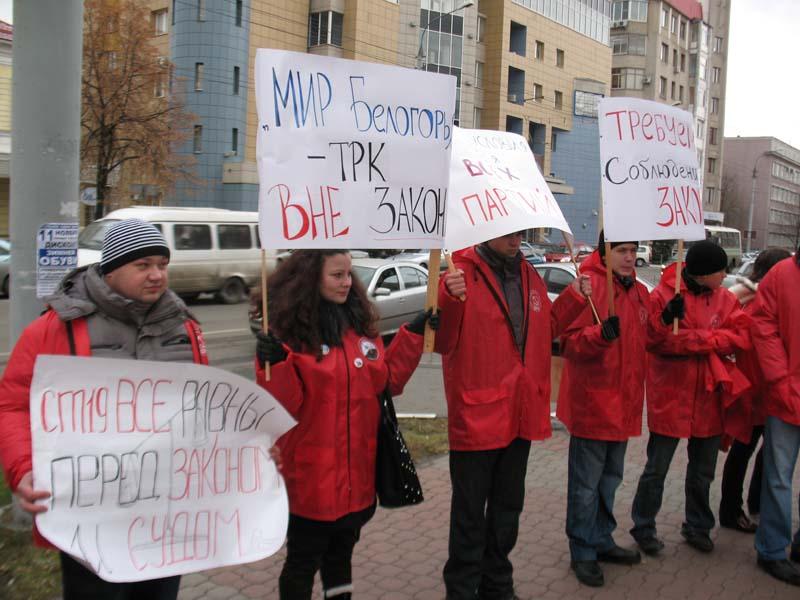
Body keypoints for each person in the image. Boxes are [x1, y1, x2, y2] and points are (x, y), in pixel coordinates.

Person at [0, 218, 207, 600]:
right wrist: (23, 469)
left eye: (162, 265)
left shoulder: (185, 327)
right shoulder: (55, 329)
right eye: (142, 266)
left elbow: (204, 411)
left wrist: (247, 453)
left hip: (165, 516)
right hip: (91, 519)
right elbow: (13, 405)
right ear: (110, 269)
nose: (157, 275)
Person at [254, 249, 436, 600]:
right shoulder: (287, 337)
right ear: (311, 278)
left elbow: (385, 382)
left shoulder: (358, 328)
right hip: (309, 483)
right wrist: (276, 365)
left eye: (349, 274)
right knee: (302, 564)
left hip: (356, 482)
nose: (347, 282)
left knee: (341, 562)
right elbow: (281, 409)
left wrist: (411, 336)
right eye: (337, 275)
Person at [435, 231, 590, 600]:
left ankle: (497, 584)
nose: (516, 239)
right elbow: (440, 341)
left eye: (520, 232)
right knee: (469, 515)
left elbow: (545, 330)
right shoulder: (461, 274)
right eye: (509, 233)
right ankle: (461, 590)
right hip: (477, 415)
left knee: (507, 511)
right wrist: (448, 297)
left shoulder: (529, 275)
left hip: (519, 414)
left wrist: (573, 298)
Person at [630, 240, 751, 556]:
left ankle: (698, 526)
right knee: (657, 468)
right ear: (704, 273)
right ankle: (643, 527)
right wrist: (672, 327)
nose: (725, 275)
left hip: (708, 395)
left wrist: (694, 340)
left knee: (703, 471)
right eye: (720, 270)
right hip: (671, 394)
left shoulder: (725, 299)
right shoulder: (663, 296)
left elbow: (738, 337)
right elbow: (655, 342)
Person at [553, 235, 649, 587]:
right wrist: (599, 335)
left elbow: (646, 340)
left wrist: (668, 318)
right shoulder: (589, 286)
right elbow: (568, 344)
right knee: (585, 486)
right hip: (593, 405)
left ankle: (601, 538)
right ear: (603, 253)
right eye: (621, 251)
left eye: (633, 251)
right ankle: (582, 550)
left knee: (611, 479)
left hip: (624, 405)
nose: (629, 257)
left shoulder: (640, 292)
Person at [718, 249, 791, 534]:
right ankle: (732, 510)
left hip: (771, 388)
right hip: (756, 388)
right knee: (745, 451)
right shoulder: (749, 299)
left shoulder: (759, 297)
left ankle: (754, 505)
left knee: (764, 453)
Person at [751, 247, 800, 585]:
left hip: (785, 387)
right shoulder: (781, 275)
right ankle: (771, 549)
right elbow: (762, 324)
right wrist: (780, 378)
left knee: (778, 475)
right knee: (778, 477)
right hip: (786, 394)